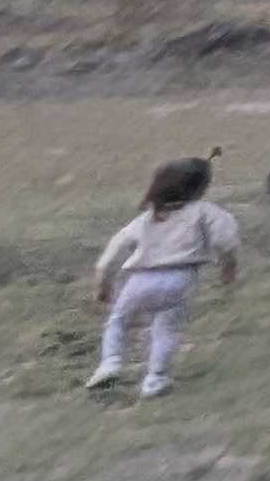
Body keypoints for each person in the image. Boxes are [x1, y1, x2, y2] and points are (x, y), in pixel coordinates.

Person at [92, 157, 239, 398]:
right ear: (201, 187)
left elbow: (113, 252)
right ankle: (155, 380)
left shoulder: (145, 219)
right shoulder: (205, 212)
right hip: (180, 279)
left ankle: (110, 363)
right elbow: (226, 241)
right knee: (166, 329)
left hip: (139, 280)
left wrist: (103, 283)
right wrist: (228, 268)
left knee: (118, 321)